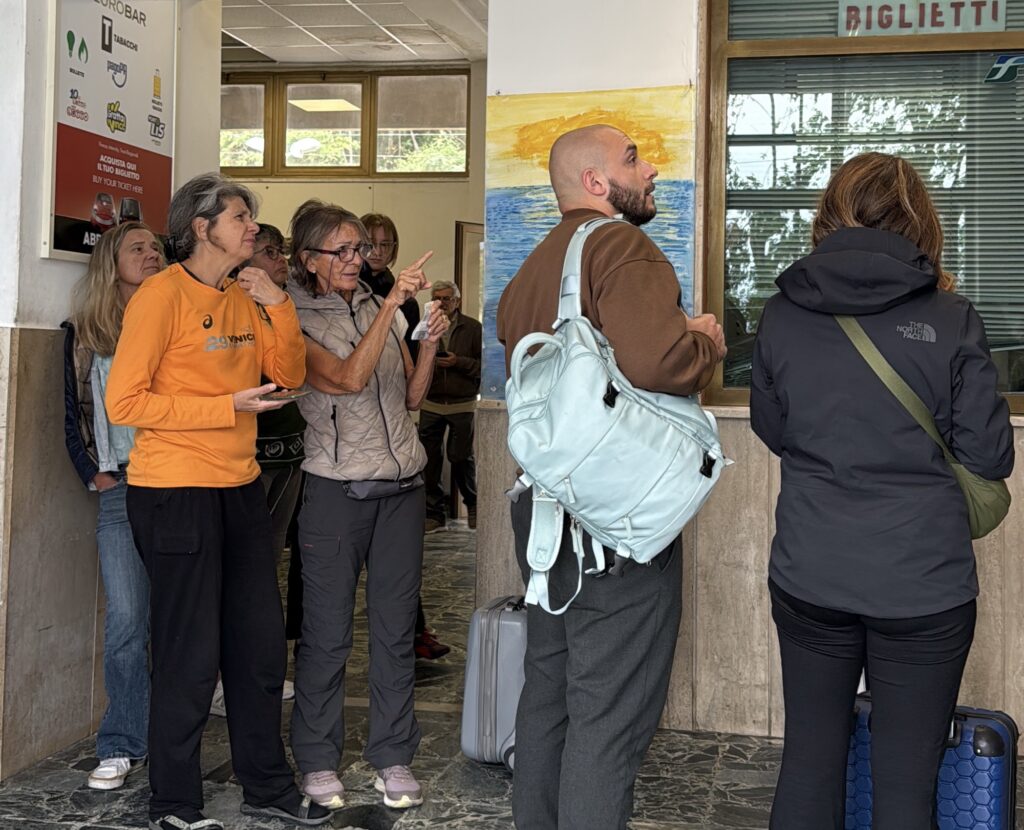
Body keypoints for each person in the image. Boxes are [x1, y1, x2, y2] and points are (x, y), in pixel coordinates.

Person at [750, 152, 1014, 830]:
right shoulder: (952, 318)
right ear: (921, 221)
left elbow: (772, 428)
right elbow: (990, 455)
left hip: (811, 570)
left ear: (829, 215)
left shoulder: (782, 313)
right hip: (923, 583)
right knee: (904, 788)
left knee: (809, 764)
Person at [496, 124, 726, 830]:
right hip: (615, 520)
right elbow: (658, 364)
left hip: (544, 515)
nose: (651, 167)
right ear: (597, 183)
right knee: (609, 715)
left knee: (549, 697)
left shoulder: (532, 269)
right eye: (633, 158)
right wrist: (704, 341)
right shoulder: (621, 246)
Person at [105, 173, 330, 830]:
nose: (251, 229)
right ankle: (174, 803)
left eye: (251, 219)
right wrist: (222, 406)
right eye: (239, 217)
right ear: (201, 227)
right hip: (173, 491)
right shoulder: (159, 296)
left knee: (259, 646)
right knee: (189, 652)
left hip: (238, 489)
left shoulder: (245, 294)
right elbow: (124, 402)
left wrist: (278, 303)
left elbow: (287, 375)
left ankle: (268, 788)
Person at [286, 199, 448, 813]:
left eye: (362, 250)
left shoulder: (379, 305)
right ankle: (320, 760)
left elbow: (408, 395)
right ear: (310, 259)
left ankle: (392, 755)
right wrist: (390, 308)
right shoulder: (290, 315)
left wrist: (426, 339)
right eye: (344, 251)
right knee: (327, 635)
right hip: (335, 489)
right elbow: (347, 379)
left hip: (402, 489)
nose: (359, 259)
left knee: (393, 629)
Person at [62, 221, 164, 790]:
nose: (151, 254)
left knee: (178, 617)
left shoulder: (175, 316)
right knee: (127, 619)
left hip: (175, 482)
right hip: (121, 489)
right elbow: (70, 413)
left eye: (156, 247)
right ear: (110, 263)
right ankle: (123, 742)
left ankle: (175, 737)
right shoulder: (84, 333)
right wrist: (94, 474)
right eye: (137, 248)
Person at [208, 222, 301, 716]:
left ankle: (257, 669)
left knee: (267, 567)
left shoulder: (281, 304)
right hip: (246, 457)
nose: (280, 260)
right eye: (269, 251)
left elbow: (291, 372)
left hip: (288, 451)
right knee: (238, 569)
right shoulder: (229, 304)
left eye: (281, 251)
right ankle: (226, 677)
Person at [419, 279, 481, 535]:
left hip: (462, 403)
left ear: (457, 301)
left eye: (447, 298)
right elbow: (414, 360)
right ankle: (434, 514)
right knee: (429, 460)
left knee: (461, 457)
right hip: (430, 401)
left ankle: (474, 506)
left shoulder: (473, 328)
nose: (442, 303)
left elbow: (483, 367)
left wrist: (458, 362)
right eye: (437, 298)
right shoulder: (423, 326)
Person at [360, 212, 420, 360]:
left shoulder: (406, 302)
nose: (377, 252)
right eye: (370, 243)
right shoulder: (344, 290)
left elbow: (410, 358)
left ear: (394, 247)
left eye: (385, 245)